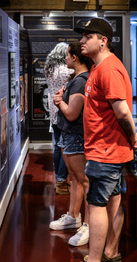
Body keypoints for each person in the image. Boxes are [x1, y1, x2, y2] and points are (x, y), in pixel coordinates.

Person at [76, 18, 137, 262]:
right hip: (105, 149)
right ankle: (111, 252)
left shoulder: (109, 68)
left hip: (105, 150)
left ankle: (95, 259)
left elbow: (122, 111)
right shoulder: (98, 67)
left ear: (102, 41)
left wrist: (132, 134)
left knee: (96, 204)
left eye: (87, 36)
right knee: (112, 201)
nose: (82, 41)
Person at [50, 42, 94, 248]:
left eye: (67, 55)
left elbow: (72, 112)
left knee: (83, 181)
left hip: (77, 135)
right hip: (70, 135)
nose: (65, 59)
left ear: (75, 57)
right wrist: (60, 99)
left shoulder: (79, 82)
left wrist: (60, 103)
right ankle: (73, 216)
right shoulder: (75, 80)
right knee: (74, 180)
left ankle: (87, 224)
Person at [44, 42, 73, 195]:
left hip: (53, 109)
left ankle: (58, 178)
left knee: (56, 145)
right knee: (65, 145)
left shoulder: (49, 69)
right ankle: (62, 179)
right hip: (64, 109)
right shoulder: (66, 70)